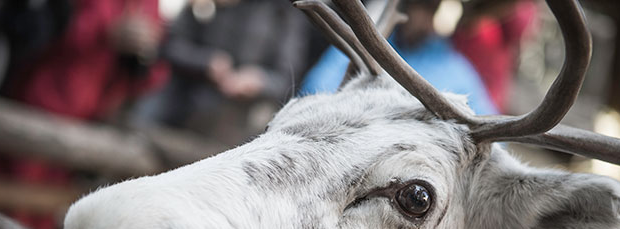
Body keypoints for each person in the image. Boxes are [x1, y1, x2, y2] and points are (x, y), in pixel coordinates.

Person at [0, 0, 166, 229]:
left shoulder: (151, 5)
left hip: (89, 119)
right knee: (11, 205)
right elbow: (39, 30)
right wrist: (106, 33)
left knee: (45, 210)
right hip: (38, 103)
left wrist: (143, 53)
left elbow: (152, 73)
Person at [132, 0, 310, 142]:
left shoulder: (284, 12)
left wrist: (260, 81)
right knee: (140, 129)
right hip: (182, 99)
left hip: (238, 117)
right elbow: (170, 46)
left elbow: (287, 77)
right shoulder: (206, 4)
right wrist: (206, 62)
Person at [300, 0, 498, 116]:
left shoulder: (456, 70)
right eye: (425, 9)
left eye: (435, 13)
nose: (427, 23)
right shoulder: (361, 44)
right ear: (408, 6)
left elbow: (488, 130)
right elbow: (315, 87)